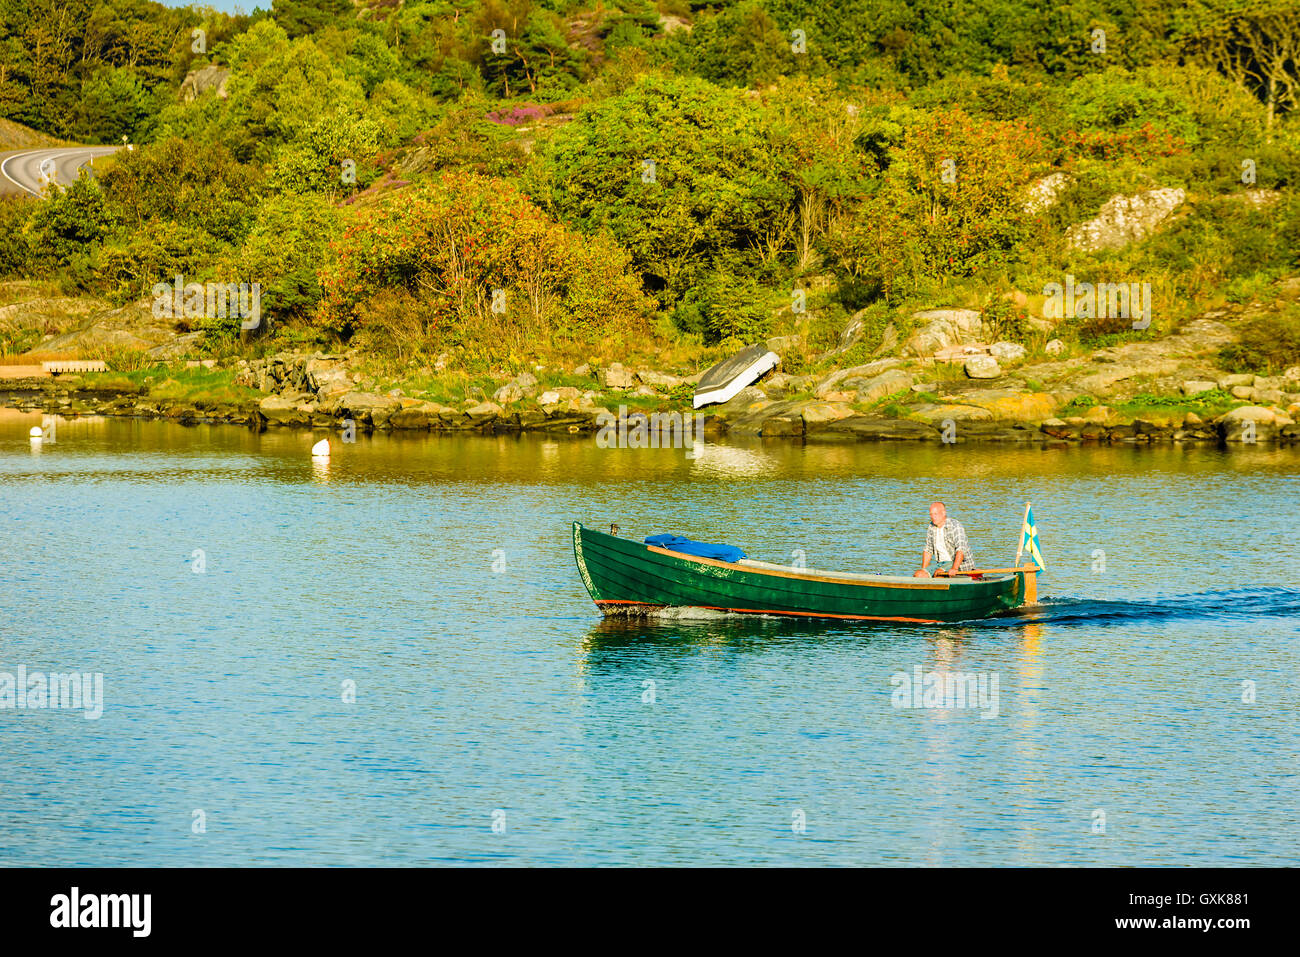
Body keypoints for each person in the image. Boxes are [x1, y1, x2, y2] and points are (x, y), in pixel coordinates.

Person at [914, 502, 975, 577]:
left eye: (935, 514)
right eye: (931, 514)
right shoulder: (931, 526)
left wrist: (954, 568)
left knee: (939, 574)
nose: (933, 517)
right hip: (941, 564)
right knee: (918, 574)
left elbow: (961, 550)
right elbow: (928, 550)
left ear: (943, 513)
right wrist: (924, 570)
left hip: (958, 563)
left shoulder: (955, 526)